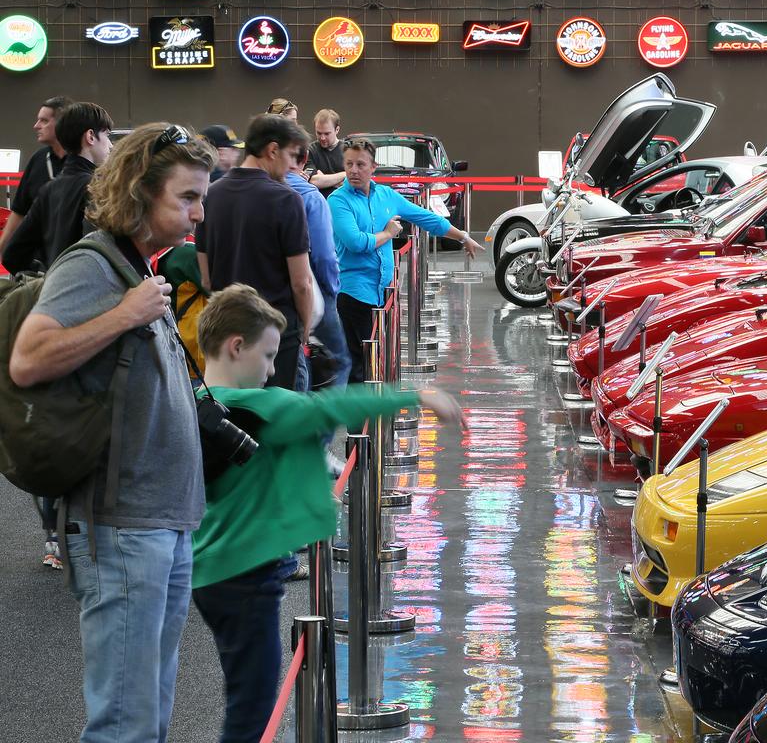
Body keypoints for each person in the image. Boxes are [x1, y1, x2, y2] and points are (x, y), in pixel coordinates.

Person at [9, 123, 217, 742]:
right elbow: (29, 357)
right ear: (138, 193)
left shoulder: (135, 268)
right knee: (124, 721)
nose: (198, 214)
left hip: (161, 519)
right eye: (186, 198)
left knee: (147, 708)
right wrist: (126, 314)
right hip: (122, 525)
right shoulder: (94, 266)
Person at [191, 283, 464, 743]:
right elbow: (337, 404)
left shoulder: (199, 405)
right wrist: (417, 397)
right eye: (267, 355)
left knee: (244, 692)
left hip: (211, 571)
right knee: (253, 705)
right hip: (249, 574)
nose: (273, 369)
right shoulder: (269, 407)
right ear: (237, 347)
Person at [329, 138, 484, 383]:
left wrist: (463, 237)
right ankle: (360, 421)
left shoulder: (386, 195)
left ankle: (378, 414)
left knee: (379, 361)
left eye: (360, 164)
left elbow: (427, 218)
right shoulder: (338, 200)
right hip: (354, 294)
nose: (353, 170)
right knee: (360, 366)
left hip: (384, 292)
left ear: (373, 167)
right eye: (349, 164)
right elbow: (356, 242)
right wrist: (388, 234)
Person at [196, 114, 315, 391]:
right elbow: (302, 282)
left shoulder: (210, 195)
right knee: (275, 427)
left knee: (233, 425)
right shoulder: (287, 200)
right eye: (290, 155)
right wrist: (304, 330)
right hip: (275, 339)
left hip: (225, 338)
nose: (291, 166)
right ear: (272, 150)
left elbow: (205, 278)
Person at [4, 102, 115, 275]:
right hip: (90, 294)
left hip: (53, 293)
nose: (110, 145)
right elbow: (101, 255)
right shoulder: (97, 188)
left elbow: (12, 255)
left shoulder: (48, 189)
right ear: (91, 136)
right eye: (107, 135)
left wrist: (47, 275)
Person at [285, 148, 351, 387]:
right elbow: (324, 256)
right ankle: (323, 425)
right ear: (303, 161)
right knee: (340, 360)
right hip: (313, 290)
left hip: (271, 295)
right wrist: (332, 290)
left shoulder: (255, 191)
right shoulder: (311, 196)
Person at [0, 96, 72, 253]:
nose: (36, 126)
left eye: (44, 121)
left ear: (61, 124)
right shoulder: (38, 159)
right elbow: (19, 211)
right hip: (39, 262)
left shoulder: (83, 161)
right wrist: (2, 248)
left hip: (74, 259)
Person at [307, 109, 346, 198]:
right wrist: (344, 174)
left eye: (327, 133)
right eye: (319, 133)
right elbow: (314, 181)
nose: (322, 138)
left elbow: (353, 183)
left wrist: (325, 179)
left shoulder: (348, 150)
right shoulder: (310, 151)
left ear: (337, 130)